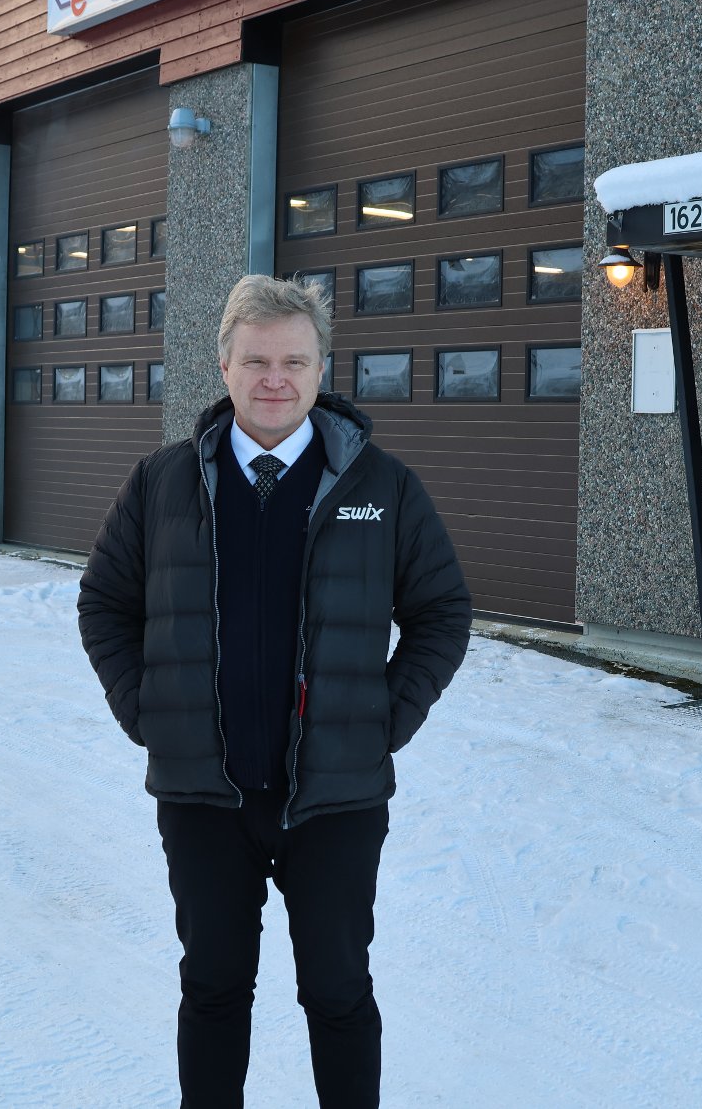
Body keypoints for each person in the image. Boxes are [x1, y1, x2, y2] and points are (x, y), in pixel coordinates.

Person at [78, 274, 472, 1108]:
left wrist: (380, 721)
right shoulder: (162, 483)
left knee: (338, 990)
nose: (274, 379)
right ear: (223, 364)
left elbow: (441, 612)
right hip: (205, 796)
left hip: (334, 799)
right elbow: (104, 602)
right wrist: (147, 712)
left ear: (321, 367)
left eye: (294, 361)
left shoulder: (381, 485)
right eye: (256, 360)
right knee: (214, 987)